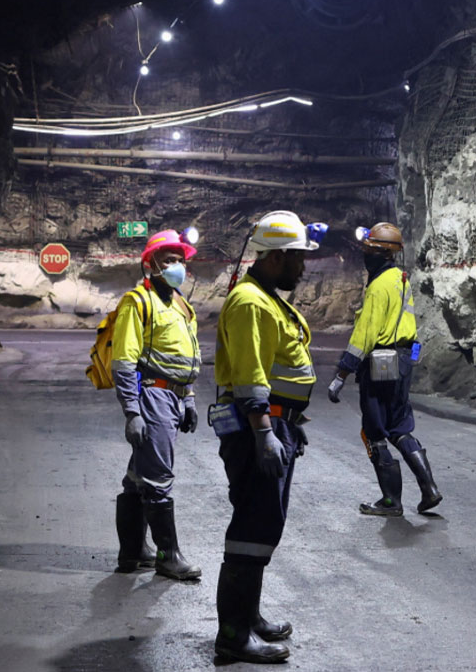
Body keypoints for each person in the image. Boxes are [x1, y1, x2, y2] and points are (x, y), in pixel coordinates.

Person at [212, 210, 324, 664]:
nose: (303, 266)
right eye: (298, 258)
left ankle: (248, 616)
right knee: (252, 527)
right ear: (276, 257)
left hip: (277, 425)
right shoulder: (251, 304)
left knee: (263, 526)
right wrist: (264, 433)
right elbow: (250, 376)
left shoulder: (267, 299)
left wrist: (290, 424)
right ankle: (233, 636)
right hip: (257, 427)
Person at [327, 222, 442, 517]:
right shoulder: (401, 279)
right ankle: (429, 489)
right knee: (400, 426)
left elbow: (365, 335)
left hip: (380, 361)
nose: (366, 255)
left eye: (370, 251)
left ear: (382, 254)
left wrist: (342, 373)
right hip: (402, 360)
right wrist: (409, 361)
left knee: (375, 431)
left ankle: (391, 502)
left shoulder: (378, 287)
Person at [111, 228, 202, 580]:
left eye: (180, 260)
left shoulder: (182, 305)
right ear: (151, 264)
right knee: (159, 477)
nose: (177, 266)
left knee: (139, 476)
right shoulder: (138, 302)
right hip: (152, 396)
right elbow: (124, 362)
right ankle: (167, 556)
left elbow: (186, 355)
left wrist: (189, 398)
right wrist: (132, 412)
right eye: (169, 260)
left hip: (173, 397)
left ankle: (132, 551)